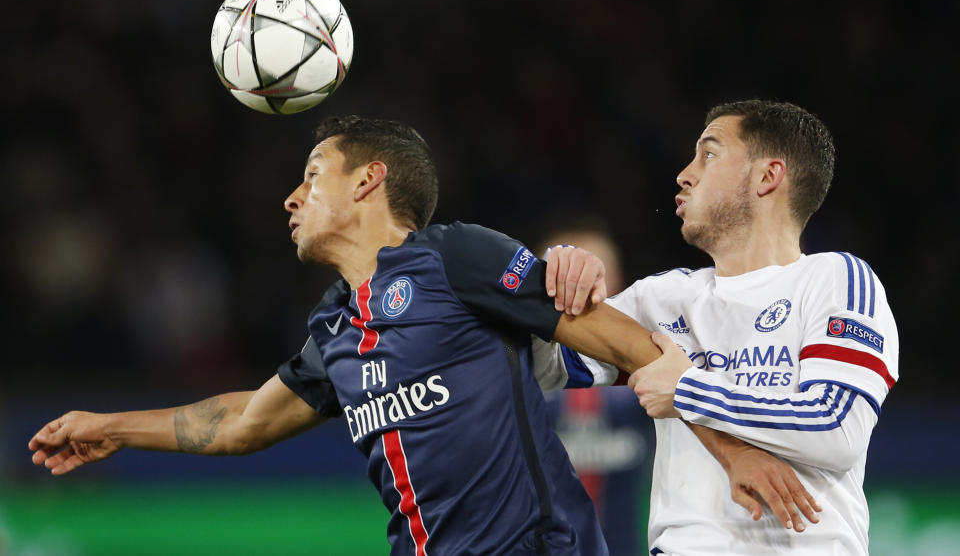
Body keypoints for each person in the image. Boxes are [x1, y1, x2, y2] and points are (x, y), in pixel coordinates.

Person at [29, 116, 817, 555]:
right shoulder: (335, 329)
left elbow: (633, 347)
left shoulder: (456, 257)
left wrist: (733, 446)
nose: (289, 199)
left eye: (312, 175)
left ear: (370, 180)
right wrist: (111, 429)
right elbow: (239, 423)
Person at [540, 100, 899, 555]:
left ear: (768, 177)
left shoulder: (835, 280)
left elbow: (834, 426)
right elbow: (539, 369)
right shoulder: (661, 299)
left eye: (708, 155)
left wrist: (689, 390)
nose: (684, 175)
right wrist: (549, 287)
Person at [537, 222, 652, 556]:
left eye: (592, 272)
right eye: (563, 274)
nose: (579, 287)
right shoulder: (516, 372)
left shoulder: (646, 373)